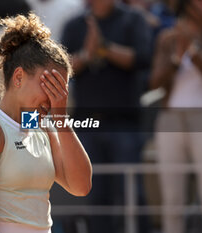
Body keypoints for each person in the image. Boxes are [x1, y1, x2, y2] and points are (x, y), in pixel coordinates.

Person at [0, 13, 92, 233]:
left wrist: (60, 119)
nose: (55, 99)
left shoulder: (45, 128)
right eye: (49, 87)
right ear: (18, 78)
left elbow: (81, 186)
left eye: (61, 90)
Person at [61, 0, 152, 232]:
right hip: (87, 122)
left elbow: (142, 58)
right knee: (95, 194)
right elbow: (63, 66)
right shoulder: (74, 24)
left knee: (131, 191)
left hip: (124, 122)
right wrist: (86, 54)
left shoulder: (133, 19)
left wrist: (104, 48)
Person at [150, 0, 202, 233]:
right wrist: (176, 59)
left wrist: (192, 52)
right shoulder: (167, 38)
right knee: (172, 200)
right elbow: (154, 84)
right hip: (170, 119)